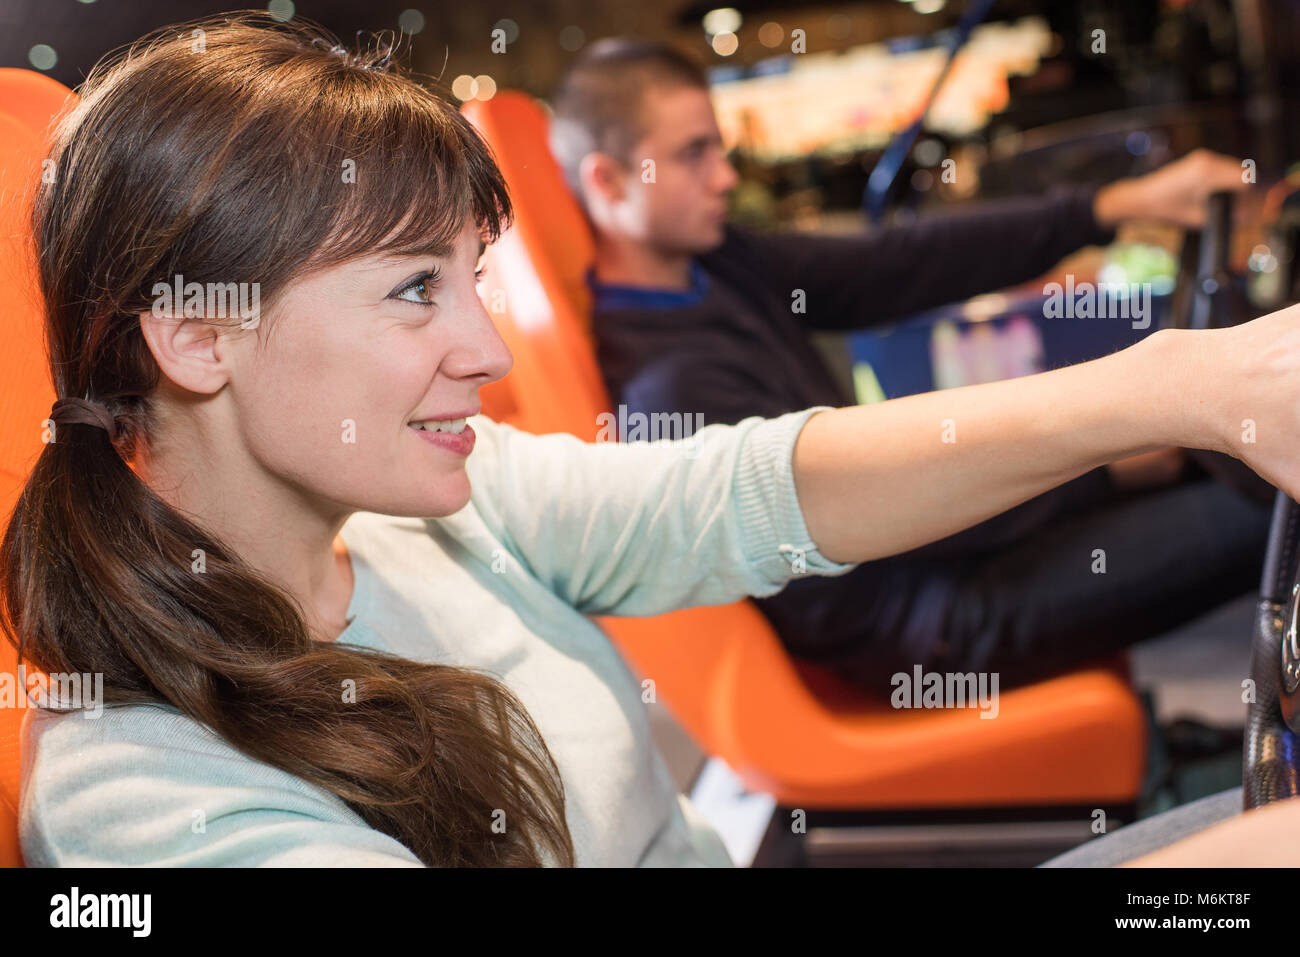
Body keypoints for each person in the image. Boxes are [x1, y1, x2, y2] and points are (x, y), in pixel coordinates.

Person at [6, 13, 1300, 868]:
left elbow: (741, 485)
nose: (493, 353)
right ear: (196, 338)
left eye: (474, 281)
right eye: (413, 289)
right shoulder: (148, 799)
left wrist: (1164, 388)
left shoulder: (430, 504)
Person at [549, 37, 1274, 694]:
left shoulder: (717, 264)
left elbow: (903, 263)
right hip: (929, 621)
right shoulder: (671, 385)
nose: (725, 177)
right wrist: (1101, 466)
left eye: (720, 148)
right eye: (692, 155)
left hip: (943, 551)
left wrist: (1114, 204)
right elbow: (865, 518)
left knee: (1224, 466)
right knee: (1277, 513)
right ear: (609, 183)